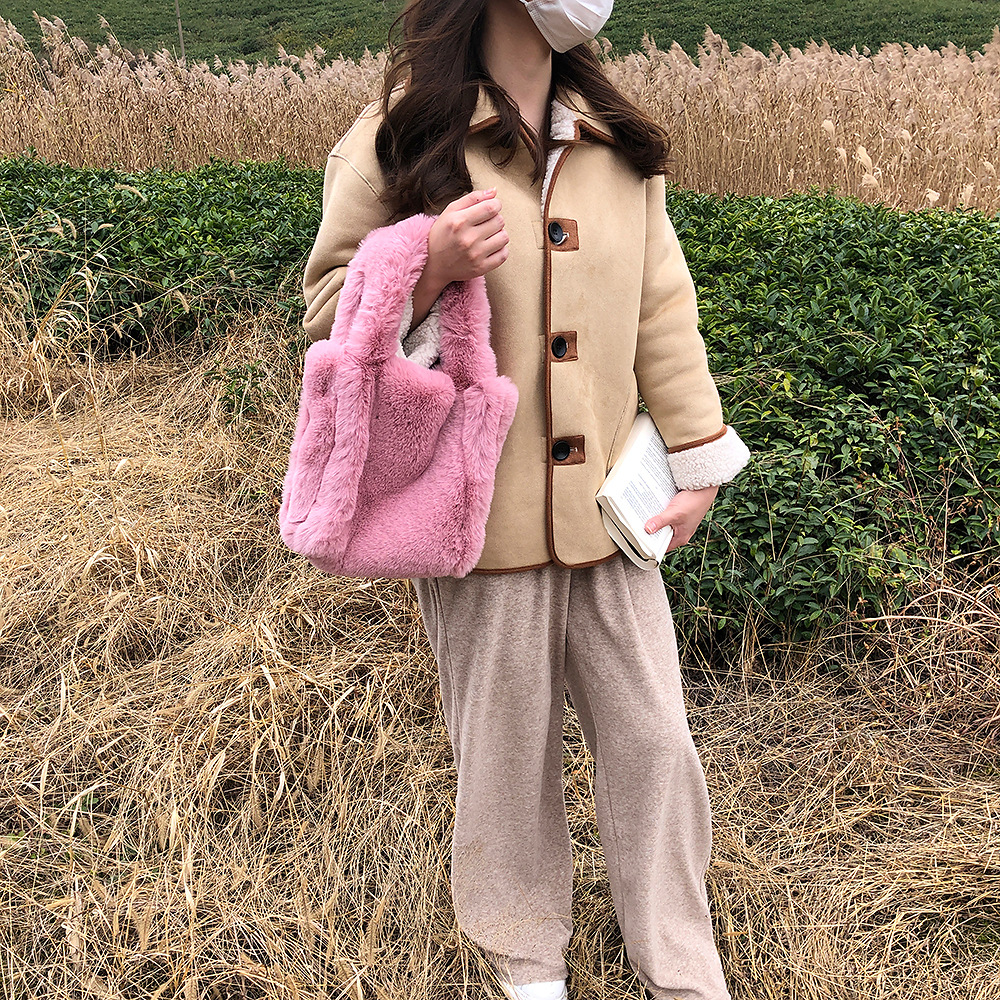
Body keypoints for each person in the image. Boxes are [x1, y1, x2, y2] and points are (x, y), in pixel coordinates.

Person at [300, 1, 751, 998]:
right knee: (504, 761)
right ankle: (526, 966)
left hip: (608, 516)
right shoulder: (399, 141)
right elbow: (328, 317)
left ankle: (682, 966)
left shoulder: (617, 146)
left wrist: (697, 459)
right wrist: (426, 266)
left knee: (656, 746)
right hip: (478, 523)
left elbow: (662, 310)